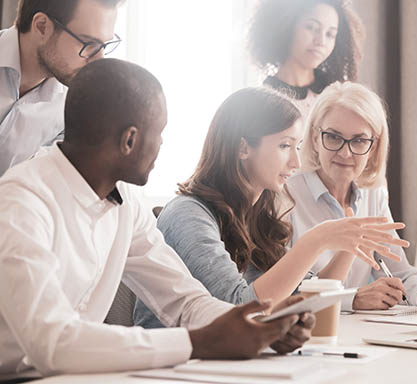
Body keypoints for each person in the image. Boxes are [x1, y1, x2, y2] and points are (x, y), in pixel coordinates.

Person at [0, 59, 314, 377]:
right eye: (159, 133)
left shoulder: (126, 203)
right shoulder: (21, 202)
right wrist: (197, 342)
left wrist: (262, 325)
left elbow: (185, 301)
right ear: (130, 140)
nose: (162, 145)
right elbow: (53, 345)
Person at [133, 86, 408, 328]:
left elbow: (310, 298)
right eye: (284, 145)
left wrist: (349, 242)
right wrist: (315, 241)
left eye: (297, 146)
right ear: (243, 148)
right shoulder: (188, 215)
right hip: (172, 366)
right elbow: (239, 308)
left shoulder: (254, 216)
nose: (296, 162)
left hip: (226, 361)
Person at [288, 81, 417, 314]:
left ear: (373, 147)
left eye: (358, 141)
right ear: (316, 139)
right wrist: (352, 299)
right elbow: (285, 292)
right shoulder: (285, 194)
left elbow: (399, 272)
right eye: (334, 138)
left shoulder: (373, 195)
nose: (345, 153)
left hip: (355, 335)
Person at [0, 0, 122, 176]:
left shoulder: (72, 107)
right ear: (42, 26)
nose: (99, 60)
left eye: (103, 46)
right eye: (88, 44)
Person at [248, 0, 364, 117]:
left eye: (330, 34)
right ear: (287, 26)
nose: (321, 41)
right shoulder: (262, 102)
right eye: (311, 27)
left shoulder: (337, 95)